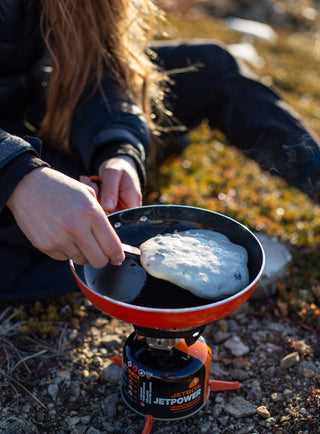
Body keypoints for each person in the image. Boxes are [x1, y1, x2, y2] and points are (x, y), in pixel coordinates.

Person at [1, 0, 320, 302]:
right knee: (61, 245)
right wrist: (17, 177)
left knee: (211, 68)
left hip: (40, 101)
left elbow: (94, 70)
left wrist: (119, 147)